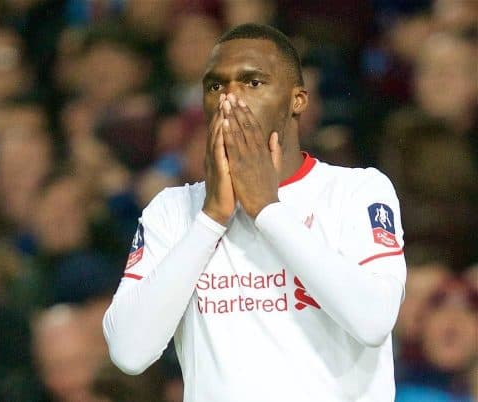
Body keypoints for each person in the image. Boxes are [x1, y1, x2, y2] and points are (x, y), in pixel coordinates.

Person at [103, 23, 407, 402]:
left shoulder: (355, 191)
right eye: (216, 86)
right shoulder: (173, 210)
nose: (230, 99)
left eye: (253, 83)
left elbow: (374, 320)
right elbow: (129, 352)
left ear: (298, 100)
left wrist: (267, 210)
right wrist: (209, 220)